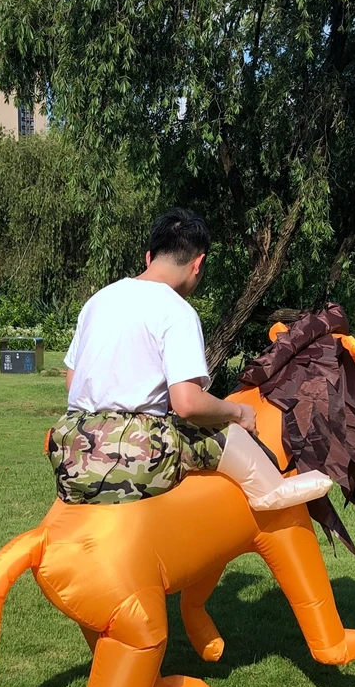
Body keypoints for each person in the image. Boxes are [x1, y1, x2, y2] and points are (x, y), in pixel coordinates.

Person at [47, 208, 333, 509]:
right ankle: (270, 492)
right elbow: (188, 404)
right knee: (227, 433)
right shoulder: (177, 310)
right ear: (198, 264)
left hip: (70, 455)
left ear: (148, 257)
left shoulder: (98, 301)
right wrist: (238, 412)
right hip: (132, 457)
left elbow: (73, 383)